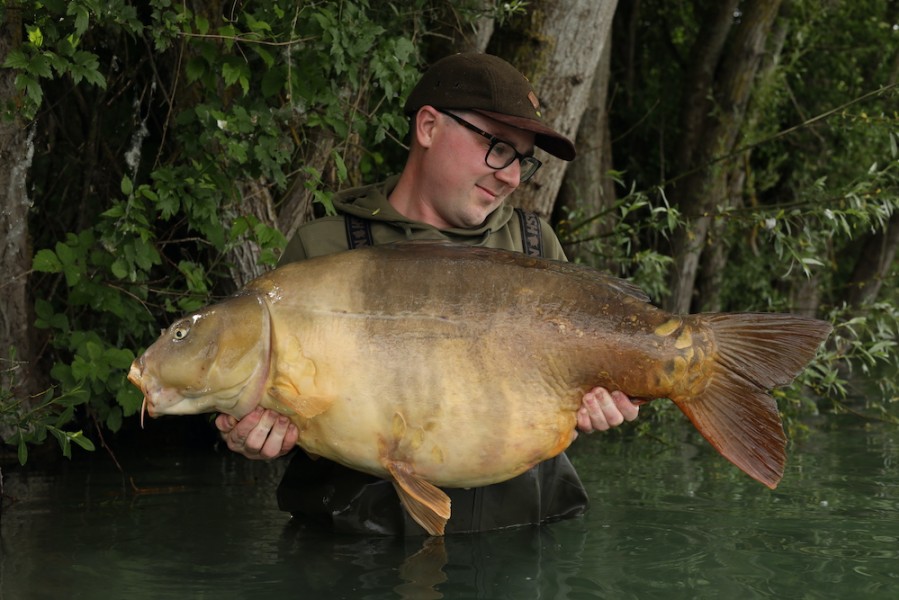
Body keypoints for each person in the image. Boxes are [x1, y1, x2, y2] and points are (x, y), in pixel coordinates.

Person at [215, 53, 639, 535]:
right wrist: (256, 432)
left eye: (523, 159)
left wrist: (593, 409)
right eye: (498, 147)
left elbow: (559, 395)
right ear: (429, 127)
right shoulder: (323, 250)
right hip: (357, 554)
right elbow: (277, 404)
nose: (513, 177)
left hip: (520, 540)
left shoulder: (534, 247)